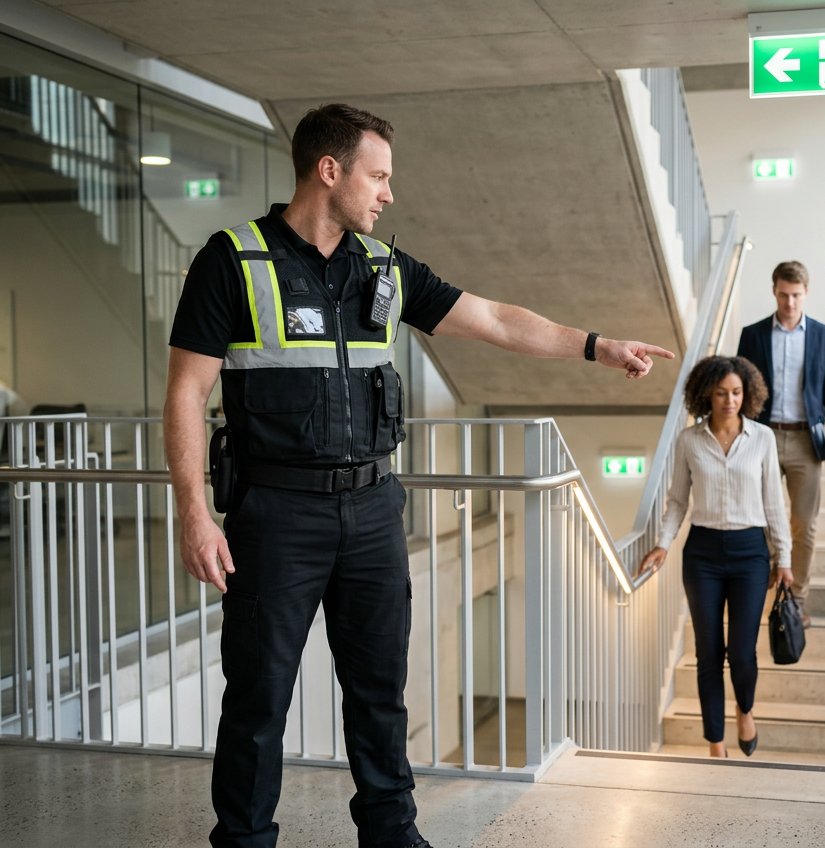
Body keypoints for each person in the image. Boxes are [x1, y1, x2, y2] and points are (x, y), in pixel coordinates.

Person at [164, 103, 674, 848]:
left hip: (372, 509)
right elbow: (185, 392)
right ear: (328, 171)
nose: (388, 194)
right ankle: (243, 840)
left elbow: (497, 319)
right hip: (275, 514)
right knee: (259, 698)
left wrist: (596, 345)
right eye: (378, 176)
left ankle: (392, 835)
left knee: (379, 694)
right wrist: (193, 512)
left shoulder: (384, 267)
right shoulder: (234, 260)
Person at [637, 356, 792, 760]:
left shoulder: (762, 439)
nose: (729, 400)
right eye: (721, 392)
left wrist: (784, 557)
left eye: (737, 392)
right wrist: (663, 543)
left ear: (748, 394)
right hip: (702, 554)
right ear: (707, 392)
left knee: (741, 651)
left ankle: (745, 709)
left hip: (750, 554)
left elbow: (774, 502)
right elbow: (677, 500)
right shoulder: (689, 440)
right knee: (708, 652)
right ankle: (715, 744)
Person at [737, 260, 825, 623]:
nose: (789, 303)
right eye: (783, 295)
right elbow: (741, 389)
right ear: (774, 291)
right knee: (759, 519)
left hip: (804, 440)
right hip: (761, 438)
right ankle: (767, 584)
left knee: (804, 523)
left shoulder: (823, 335)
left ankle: (796, 599)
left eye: (796, 295)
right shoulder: (752, 335)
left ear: (806, 293)